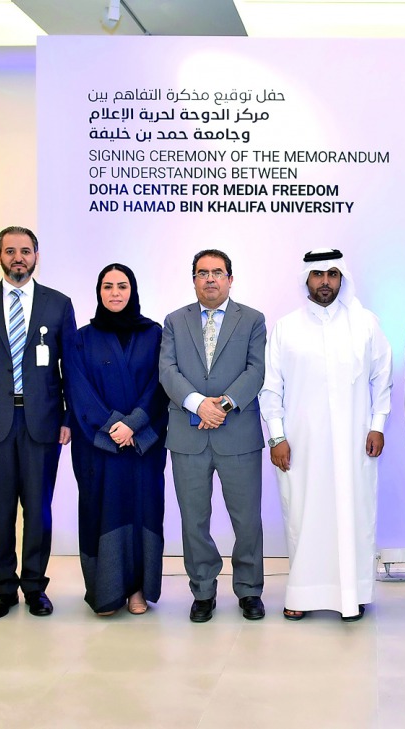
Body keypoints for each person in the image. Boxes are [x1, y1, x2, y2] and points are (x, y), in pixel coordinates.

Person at [0, 225, 77, 619]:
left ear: (36, 255)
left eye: (25, 250)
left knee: (38, 509)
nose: (18, 257)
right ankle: (4, 588)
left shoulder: (58, 304)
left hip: (42, 421)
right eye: (10, 251)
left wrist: (69, 416)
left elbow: (70, 368)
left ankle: (35, 587)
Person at [259, 249, 392, 621]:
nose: (325, 282)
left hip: (354, 443)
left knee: (354, 513)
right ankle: (302, 593)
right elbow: (271, 388)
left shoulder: (365, 323)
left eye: (332, 275)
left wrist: (377, 424)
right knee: (304, 515)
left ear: (342, 279)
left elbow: (383, 377)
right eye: (317, 275)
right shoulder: (286, 327)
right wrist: (276, 436)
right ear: (306, 279)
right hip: (301, 444)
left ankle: (353, 594)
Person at [159, 249, 267, 623]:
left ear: (230, 279)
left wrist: (219, 406)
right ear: (193, 280)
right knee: (194, 520)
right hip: (188, 437)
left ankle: (250, 590)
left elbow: (256, 371)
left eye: (217, 273)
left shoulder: (252, 319)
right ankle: (202, 590)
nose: (210, 279)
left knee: (247, 520)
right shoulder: (174, 320)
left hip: (237, 434)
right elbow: (167, 370)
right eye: (202, 273)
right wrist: (196, 404)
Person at [64, 264, 168, 617]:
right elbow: (77, 389)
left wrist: (133, 425)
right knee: (101, 510)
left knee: (143, 510)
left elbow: (160, 383)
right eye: (107, 286)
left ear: (133, 290)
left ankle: (138, 589)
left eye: (122, 286)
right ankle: (105, 591)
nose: (115, 293)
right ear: (99, 292)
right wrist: (113, 426)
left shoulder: (154, 334)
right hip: (99, 446)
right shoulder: (81, 337)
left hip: (143, 445)